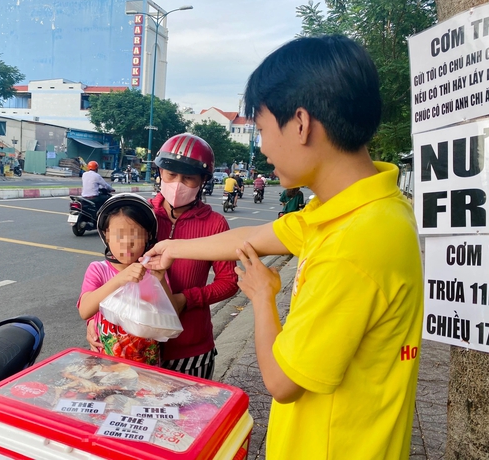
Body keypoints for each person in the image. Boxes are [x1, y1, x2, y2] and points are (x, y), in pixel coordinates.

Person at [143, 36, 423, 459]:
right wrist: (172, 247)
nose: (263, 147)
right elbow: (251, 238)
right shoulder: (354, 210)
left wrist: (262, 296)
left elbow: (281, 382)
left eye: (260, 129)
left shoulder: (355, 243)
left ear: (300, 123)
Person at [88, 133, 238, 379]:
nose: (178, 184)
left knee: (187, 415)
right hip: (132, 345)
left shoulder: (214, 224)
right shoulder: (140, 215)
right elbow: (110, 271)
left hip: (189, 349)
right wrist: (95, 319)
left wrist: (185, 300)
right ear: (160, 173)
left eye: (188, 178)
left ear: (203, 181)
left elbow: (229, 282)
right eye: (171, 175)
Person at [78, 194, 172, 365]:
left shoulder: (154, 271)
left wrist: (162, 281)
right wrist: (119, 279)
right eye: (119, 236)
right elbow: (85, 310)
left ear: (147, 236)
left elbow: (169, 313)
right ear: (106, 236)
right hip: (106, 366)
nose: (127, 243)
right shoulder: (98, 270)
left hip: (146, 365)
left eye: (135, 235)